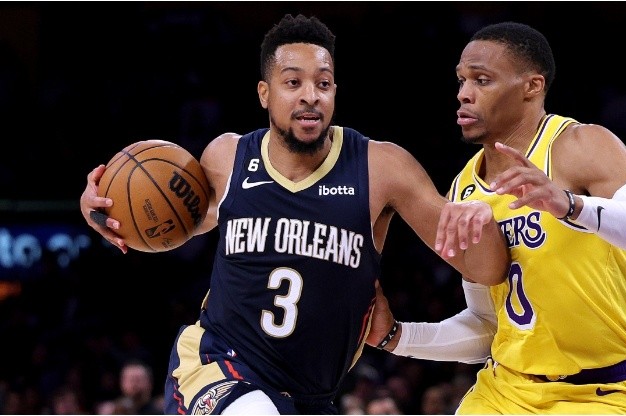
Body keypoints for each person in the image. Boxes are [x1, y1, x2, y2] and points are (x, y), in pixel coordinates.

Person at [79, 14, 510, 415]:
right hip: (217, 363)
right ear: (264, 93)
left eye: (323, 83)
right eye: (293, 82)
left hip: (311, 395)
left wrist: (480, 225)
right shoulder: (228, 157)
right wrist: (102, 212)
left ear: (336, 92)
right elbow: (170, 225)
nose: (310, 95)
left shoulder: (382, 168)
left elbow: (487, 269)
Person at [366, 21, 626, 414]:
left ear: (532, 87)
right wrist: (396, 336)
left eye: (482, 80)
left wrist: (571, 205)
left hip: (602, 389)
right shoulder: (463, 190)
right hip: (505, 388)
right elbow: (488, 325)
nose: (464, 95)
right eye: (461, 80)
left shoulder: (577, 146)